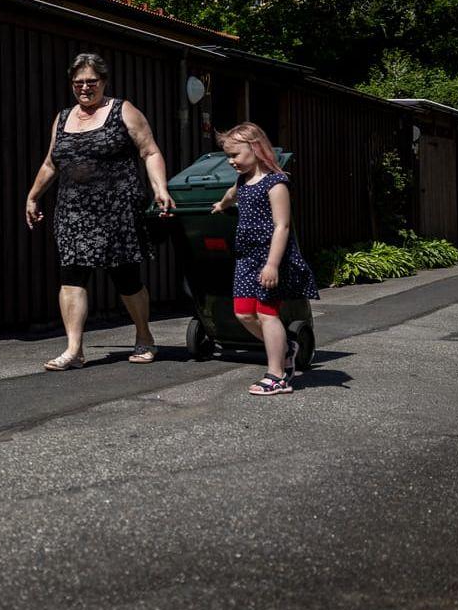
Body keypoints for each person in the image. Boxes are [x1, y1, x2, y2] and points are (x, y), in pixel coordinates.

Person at [25, 52, 174, 371]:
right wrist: (33, 196)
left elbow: (150, 152)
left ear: (103, 81)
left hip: (117, 210)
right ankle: (74, 349)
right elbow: (52, 163)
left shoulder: (123, 111)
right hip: (73, 211)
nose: (84, 87)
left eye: (91, 81)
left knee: (126, 279)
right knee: (71, 277)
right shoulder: (63, 118)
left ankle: (145, 336)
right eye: (78, 82)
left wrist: (160, 188)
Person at [210, 122, 320, 396]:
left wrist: (272, 264)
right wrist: (222, 205)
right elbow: (232, 194)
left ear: (255, 148)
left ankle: (277, 375)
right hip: (246, 257)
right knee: (243, 313)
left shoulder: (276, 182)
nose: (231, 161)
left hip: (270, 258)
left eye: (235, 154)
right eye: (228, 156)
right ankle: (284, 348)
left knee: (267, 313)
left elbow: (282, 226)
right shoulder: (243, 181)